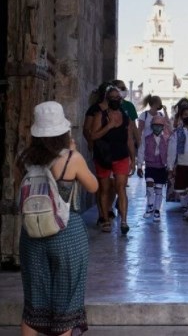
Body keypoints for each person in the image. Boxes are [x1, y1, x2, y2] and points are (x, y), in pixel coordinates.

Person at [18, 102, 99, 336]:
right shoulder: (72, 159)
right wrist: (73, 153)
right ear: (63, 131)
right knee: (66, 307)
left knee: (33, 306)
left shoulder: (24, 159)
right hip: (67, 234)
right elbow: (93, 186)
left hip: (31, 235)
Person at [91, 85, 136, 234]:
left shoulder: (125, 117)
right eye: (112, 98)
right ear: (107, 99)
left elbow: (129, 138)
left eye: (118, 98)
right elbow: (93, 135)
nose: (115, 100)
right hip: (103, 156)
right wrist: (108, 126)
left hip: (121, 156)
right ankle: (105, 219)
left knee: (121, 188)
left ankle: (124, 221)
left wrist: (133, 158)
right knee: (104, 188)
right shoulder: (100, 116)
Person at [83, 82, 112, 224]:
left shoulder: (118, 109)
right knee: (102, 184)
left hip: (117, 152)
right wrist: (91, 142)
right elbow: (86, 129)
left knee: (112, 185)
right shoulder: (94, 109)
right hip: (101, 150)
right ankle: (102, 213)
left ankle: (108, 209)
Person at [137, 116, 170, 223]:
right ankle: (150, 205)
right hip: (150, 165)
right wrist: (139, 165)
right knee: (149, 185)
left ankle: (157, 211)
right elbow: (141, 151)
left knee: (159, 189)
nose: (157, 128)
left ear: (163, 127)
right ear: (151, 126)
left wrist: (170, 167)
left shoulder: (166, 139)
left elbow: (170, 154)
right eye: (155, 125)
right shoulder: (146, 138)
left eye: (160, 126)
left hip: (161, 167)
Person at [113, 79, 140, 148]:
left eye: (124, 88)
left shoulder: (129, 106)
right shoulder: (109, 105)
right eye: (122, 88)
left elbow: (134, 127)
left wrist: (140, 144)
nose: (124, 90)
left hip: (126, 144)